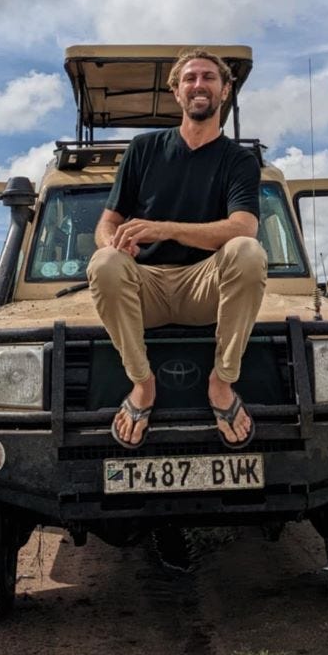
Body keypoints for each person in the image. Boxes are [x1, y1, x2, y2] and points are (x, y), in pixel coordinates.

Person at [86, 48, 267, 450]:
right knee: (104, 262)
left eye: (208, 78)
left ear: (224, 91)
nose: (198, 85)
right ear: (176, 91)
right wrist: (114, 244)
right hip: (143, 286)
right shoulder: (143, 149)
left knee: (248, 252)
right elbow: (107, 222)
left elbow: (244, 228)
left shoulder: (239, 161)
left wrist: (165, 229)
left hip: (207, 288)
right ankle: (142, 384)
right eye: (189, 78)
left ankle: (222, 381)